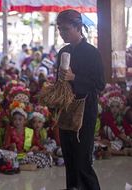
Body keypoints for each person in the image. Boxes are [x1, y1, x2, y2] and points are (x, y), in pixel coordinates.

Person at [56, 10, 105, 190]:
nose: (62, 33)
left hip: (85, 111)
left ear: (78, 27)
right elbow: (59, 82)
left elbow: (99, 84)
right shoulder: (63, 51)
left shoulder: (92, 53)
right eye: (60, 29)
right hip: (66, 109)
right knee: (69, 158)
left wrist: (75, 77)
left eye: (66, 29)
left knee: (82, 160)